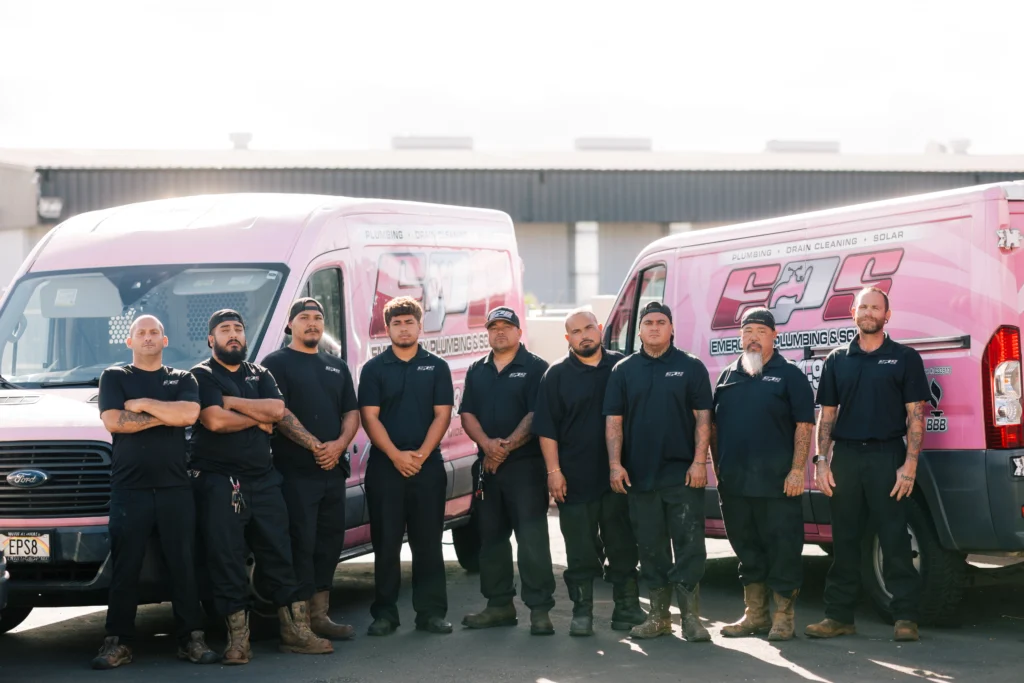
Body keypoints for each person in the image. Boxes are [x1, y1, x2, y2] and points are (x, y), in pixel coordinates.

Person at [190, 309, 332, 664]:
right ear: (211, 339)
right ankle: (238, 641)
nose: (233, 334)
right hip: (221, 482)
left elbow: (277, 410)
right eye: (225, 329)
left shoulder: (260, 373)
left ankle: (296, 632)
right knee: (227, 559)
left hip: (265, 480)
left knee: (281, 554)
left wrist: (235, 404)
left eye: (238, 328)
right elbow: (214, 420)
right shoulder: (201, 376)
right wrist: (258, 419)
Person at [93, 315, 218, 670]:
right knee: (125, 567)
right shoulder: (114, 377)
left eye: (154, 333)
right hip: (128, 489)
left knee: (183, 565)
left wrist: (143, 404)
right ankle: (118, 642)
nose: (147, 337)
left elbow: (190, 414)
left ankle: (191, 639)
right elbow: (114, 421)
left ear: (165, 340)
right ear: (129, 341)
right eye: (141, 333)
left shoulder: (183, 378)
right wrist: (167, 415)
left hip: (175, 488)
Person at [805, 287, 928, 642]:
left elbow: (916, 415)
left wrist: (910, 464)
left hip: (887, 457)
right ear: (853, 313)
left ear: (887, 315)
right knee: (844, 539)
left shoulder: (904, 358)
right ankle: (838, 617)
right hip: (845, 458)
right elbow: (827, 415)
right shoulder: (837, 360)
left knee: (894, 538)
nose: (869, 312)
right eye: (864, 307)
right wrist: (821, 461)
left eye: (876, 307)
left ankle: (905, 618)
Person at [603, 301, 713, 642]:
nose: (654, 327)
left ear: (672, 328)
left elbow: (704, 419)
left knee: (690, 547)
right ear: (639, 330)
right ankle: (659, 617)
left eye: (661, 322)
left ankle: (691, 619)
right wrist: (615, 464)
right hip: (640, 477)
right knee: (651, 548)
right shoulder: (623, 370)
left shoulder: (690, 367)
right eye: (648, 322)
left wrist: (699, 462)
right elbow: (614, 422)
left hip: (683, 475)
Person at [532, 307, 645, 637]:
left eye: (588, 328)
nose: (584, 336)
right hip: (574, 480)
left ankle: (627, 608)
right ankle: (582, 613)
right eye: (576, 332)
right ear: (567, 338)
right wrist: (553, 472)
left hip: (619, 478)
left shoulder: (623, 367)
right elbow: (546, 430)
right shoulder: (555, 375)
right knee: (579, 551)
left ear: (600, 328)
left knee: (623, 546)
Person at [710, 308, 815, 641]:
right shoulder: (727, 376)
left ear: (774, 336)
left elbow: (804, 426)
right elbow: (713, 428)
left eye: (761, 331)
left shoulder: (790, 375)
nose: (753, 337)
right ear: (740, 336)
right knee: (746, 549)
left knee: (783, 550)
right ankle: (755, 614)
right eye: (748, 331)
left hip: (778, 484)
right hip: (735, 485)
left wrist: (797, 471)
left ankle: (783, 617)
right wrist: (718, 471)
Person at [263, 298, 361, 641]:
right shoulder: (275, 364)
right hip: (295, 473)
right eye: (304, 317)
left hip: (332, 471)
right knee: (299, 544)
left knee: (329, 543)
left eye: (318, 317)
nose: (312, 323)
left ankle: (320, 615)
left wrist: (338, 446)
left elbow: (351, 413)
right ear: (290, 324)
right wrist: (315, 446)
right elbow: (279, 412)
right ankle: (298, 621)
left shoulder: (336, 366)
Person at [358, 296, 454, 636]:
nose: (403, 328)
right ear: (387, 329)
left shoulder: (437, 367)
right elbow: (369, 418)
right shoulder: (373, 369)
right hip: (386, 468)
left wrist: (422, 455)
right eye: (396, 323)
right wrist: (396, 456)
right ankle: (385, 614)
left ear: (419, 326)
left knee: (428, 543)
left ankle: (431, 614)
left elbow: (443, 415)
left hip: (427, 467)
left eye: (409, 322)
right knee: (386, 544)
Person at [461, 306, 556, 636]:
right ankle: (499, 605)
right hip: (487, 469)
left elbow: (535, 415)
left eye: (506, 326)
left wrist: (503, 448)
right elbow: (467, 414)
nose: (499, 331)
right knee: (491, 540)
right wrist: (488, 445)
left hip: (525, 468)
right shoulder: (477, 370)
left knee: (532, 540)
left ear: (519, 331)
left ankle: (540, 610)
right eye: (493, 327)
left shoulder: (536, 367)